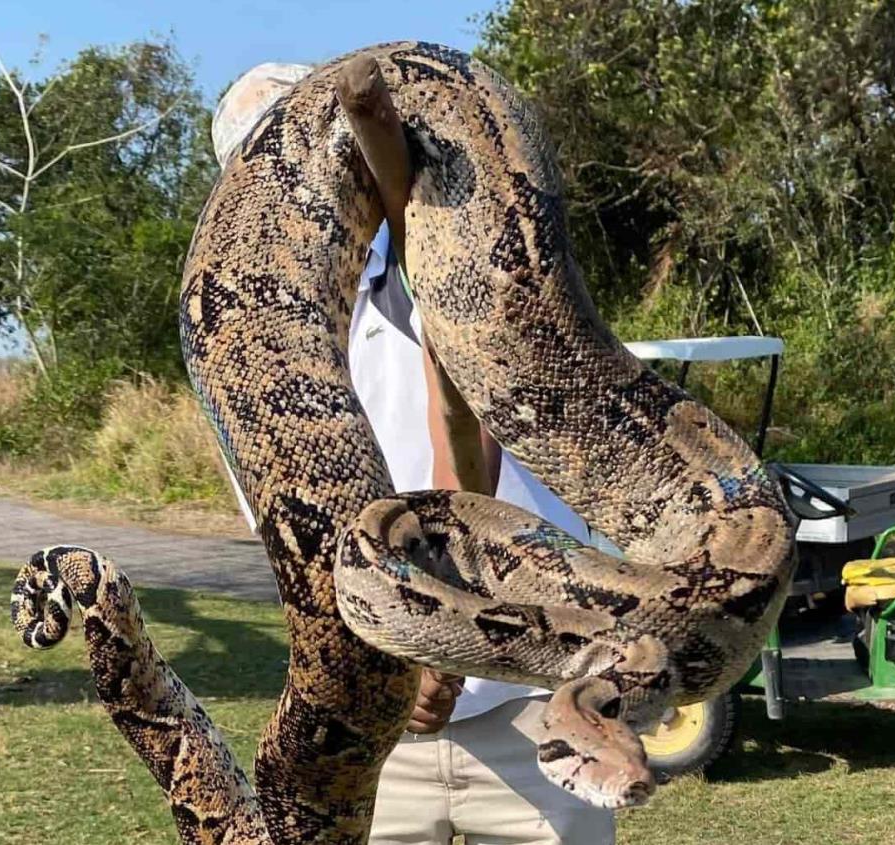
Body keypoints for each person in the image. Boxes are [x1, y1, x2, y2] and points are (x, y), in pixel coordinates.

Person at [212, 65, 617, 845]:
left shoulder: (438, 249)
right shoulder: (245, 340)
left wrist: (440, 638)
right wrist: (400, 663)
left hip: (537, 706)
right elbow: (307, 547)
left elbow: (469, 432)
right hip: (373, 737)